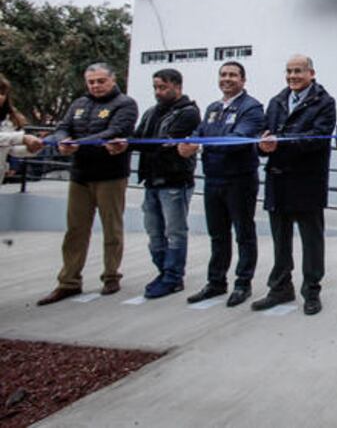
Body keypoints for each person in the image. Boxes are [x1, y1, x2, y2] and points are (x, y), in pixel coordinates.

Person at [37, 63, 138, 305]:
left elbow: (115, 131)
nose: (96, 85)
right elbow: (62, 128)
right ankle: (69, 282)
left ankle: (111, 276)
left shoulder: (125, 104)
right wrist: (63, 140)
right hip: (80, 175)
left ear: (113, 80)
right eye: (91, 82)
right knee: (75, 230)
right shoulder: (79, 104)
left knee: (111, 228)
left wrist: (78, 144)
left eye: (101, 81)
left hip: (110, 176)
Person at [253, 55, 337, 316]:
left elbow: (318, 138)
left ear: (311, 73)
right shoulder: (276, 101)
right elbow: (263, 135)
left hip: (307, 181)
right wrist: (262, 145)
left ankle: (311, 291)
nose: (292, 76)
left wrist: (280, 142)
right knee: (280, 239)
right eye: (288, 71)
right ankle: (280, 288)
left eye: (298, 71)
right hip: (278, 180)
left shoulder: (324, 102)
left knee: (311, 241)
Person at [108, 69, 200, 299]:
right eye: (156, 87)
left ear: (177, 86)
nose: (158, 92)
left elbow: (165, 143)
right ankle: (163, 272)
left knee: (175, 232)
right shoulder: (151, 112)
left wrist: (132, 144)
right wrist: (124, 143)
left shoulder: (188, 113)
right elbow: (139, 137)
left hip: (175, 181)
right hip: (151, 180)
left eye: (163, 87)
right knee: (154, 232)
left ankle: (173, 277)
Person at [178, 61, 265, 308]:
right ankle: (216, 282)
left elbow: (238, 139)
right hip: (213, 178)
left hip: (239, 180)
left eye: (233, 75)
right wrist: (189, 143)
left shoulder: (251, 107)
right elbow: (199, 132)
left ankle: (243, 283)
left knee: (243, 233)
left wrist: (202, 144)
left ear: (243, 80)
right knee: (217, 234)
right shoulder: (213, 108)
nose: (227, 79)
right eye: (223, 74)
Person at [0, 74, 43, 175]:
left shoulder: (8, 121)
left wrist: (32, 148)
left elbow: (11, 149)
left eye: (2, 93)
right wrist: (22, 138)